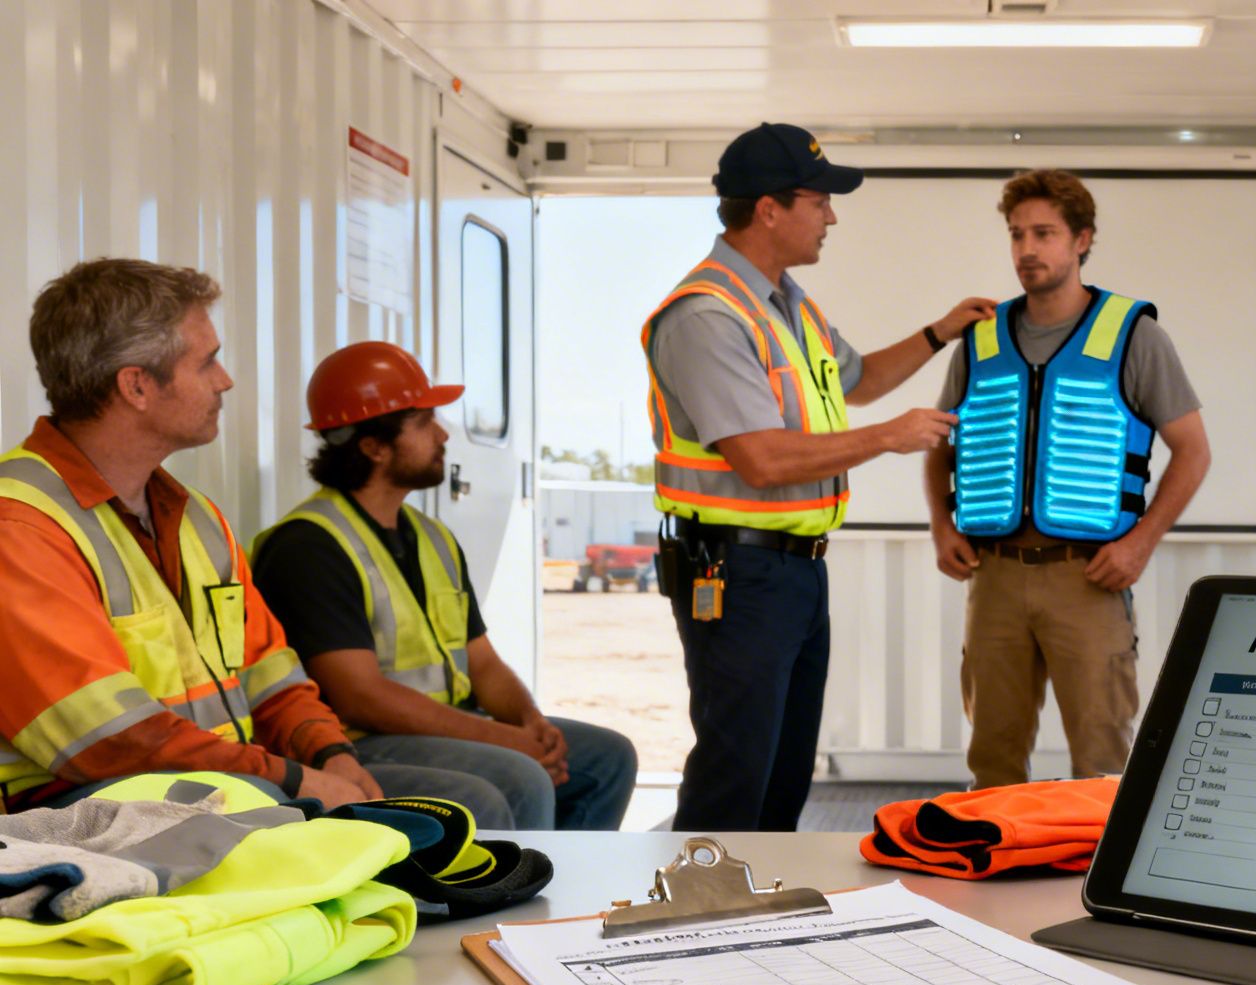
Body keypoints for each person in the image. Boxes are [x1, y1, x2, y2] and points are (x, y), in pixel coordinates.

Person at [0, 258, 470, 819]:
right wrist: (293, 777)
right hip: (76, 815)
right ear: (137, 385)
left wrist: (331, 752)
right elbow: (109, 741)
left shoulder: (196, 518)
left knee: (464, 805)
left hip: (216, 783)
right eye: (207, 362)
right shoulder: (21, 526)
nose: (224, 380)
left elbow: (271, 671)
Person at [642, 122, 995, 831]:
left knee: (783, 769)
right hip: (735, 575)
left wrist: (941, 331)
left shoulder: (790, 305)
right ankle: (694, 914)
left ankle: (757, 919)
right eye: (819, 200)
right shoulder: (708, 316)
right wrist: (890, 438)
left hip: (795, 574)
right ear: (769, 209)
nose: (831, 216)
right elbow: (763, 460)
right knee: (736, 769)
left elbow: (861, 381)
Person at [251, 342, 637, 831]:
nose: (442, 433)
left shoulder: (432, 537)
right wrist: (502, 741)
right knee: (521, 779)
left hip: (443, 727)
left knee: (608, 759)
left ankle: (571, 891)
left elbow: (484, 663)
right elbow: (360, 698)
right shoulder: (308, 546)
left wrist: (529, 723)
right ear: (373, 446)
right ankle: (516, 897)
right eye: (423, 422)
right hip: (360, 742)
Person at [925, 169, 1212, 791]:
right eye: (1017, 234)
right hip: (993, 577)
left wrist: (1139, 544)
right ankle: (993, 884)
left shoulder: (1133, 334)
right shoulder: (980, 339)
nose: (1028, 249)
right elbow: (940, 440)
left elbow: (1192, 451)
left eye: (1045, 233)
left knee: (1102, 762)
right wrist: (940, 524)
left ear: (1082, 240)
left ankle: (1095, 890)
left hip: (1087, 577)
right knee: (992, 763)